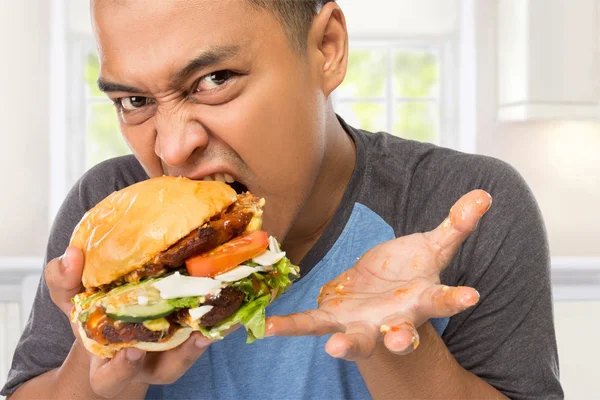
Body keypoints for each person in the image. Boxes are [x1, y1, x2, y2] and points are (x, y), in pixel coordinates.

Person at [2, 0, 563, 399]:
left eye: (215, 78)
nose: (172, 148)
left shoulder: (455, 207)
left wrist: (400, 352)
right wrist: (104, 368)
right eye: (134, 100)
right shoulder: (107, 211)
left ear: (327, 48)